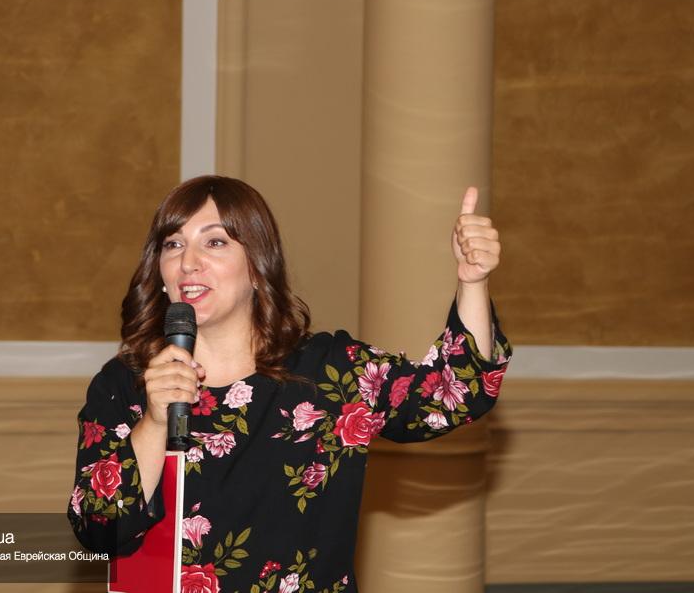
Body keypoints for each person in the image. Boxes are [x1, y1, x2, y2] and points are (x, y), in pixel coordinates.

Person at [68, 175, 511, 593]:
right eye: (174, 244)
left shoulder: (329, 371)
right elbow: (98, 530)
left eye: (215, 242)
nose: (188, 262)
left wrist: (472, 282)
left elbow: (456, 391)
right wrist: (153, 422)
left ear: (257, 266)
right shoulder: (125, 383)